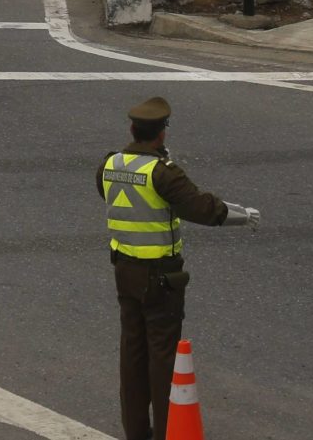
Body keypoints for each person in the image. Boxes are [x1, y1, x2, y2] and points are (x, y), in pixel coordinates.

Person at [96, 96, 260, 440]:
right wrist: (242, 215)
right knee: (162, 357)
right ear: (161, 134)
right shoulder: (161, 172)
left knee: (132, 351)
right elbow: (201, 208)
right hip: (160, 278)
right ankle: (169, 433)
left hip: (124, 270)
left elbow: (109, 194)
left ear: (132, 129)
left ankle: (137, 431)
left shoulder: (109, 165)